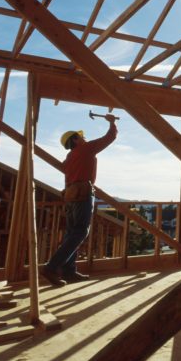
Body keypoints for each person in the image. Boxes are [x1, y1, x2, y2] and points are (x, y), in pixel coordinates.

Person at [41, 113, 118, 286]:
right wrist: (112, 122)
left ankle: (68, 271)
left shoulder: (69, 157)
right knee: (81, 232)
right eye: (81, 137)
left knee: (71, 233)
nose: (85, 138)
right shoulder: (86, 149)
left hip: (70, 196)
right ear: (75, 140)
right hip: (82, 194)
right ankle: (51, 267)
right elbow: (109, 137)